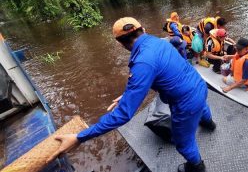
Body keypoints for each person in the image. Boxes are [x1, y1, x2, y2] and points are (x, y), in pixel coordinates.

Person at [48, 17, 216, 172]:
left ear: (120, 44)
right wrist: (129, 94)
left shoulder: (142, 62)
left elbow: (123, 115)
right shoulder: (159, 42)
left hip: (186, 104)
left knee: (183, 142)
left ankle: (196, 166)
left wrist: (79, 137)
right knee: (202, 105)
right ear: (142, 29)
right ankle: (209, 124)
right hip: (199, 86)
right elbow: (163, 72)